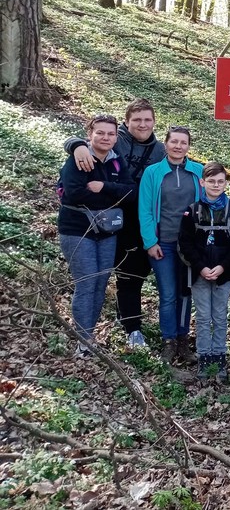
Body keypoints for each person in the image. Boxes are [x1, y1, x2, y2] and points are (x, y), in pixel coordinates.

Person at [64, 99, 165, 349]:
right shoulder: (112, 141)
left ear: (154, 122)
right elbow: (83, 143)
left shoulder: (159, 150)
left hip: (134, 219)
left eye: (147, 120)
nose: (142, 124)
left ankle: (121, 327)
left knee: (124, 276)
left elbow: (133, 188)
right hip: (100, 221)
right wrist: (76, 145)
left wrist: (106, 189)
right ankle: (89, 338)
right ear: (126, 122)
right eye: (137, 120)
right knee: (94, 280)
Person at [58, 115, 136, 357]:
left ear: (116, 137)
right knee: (86, 282)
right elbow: (73, 193)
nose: (105, 138)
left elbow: (130, 192)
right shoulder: (79, 158)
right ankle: (83, 342)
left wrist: (104, 187)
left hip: (107, 231)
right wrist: (111, 198)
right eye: (100, 133)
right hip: (77, 230)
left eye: (111, 134)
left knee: (101, 284)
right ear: (90, 134)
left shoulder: (116, 161)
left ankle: (89, 337)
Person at [177, 162, 230, 383]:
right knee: (202, 316)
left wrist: (223, 266)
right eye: (211, 181)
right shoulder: (191, 211)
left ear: (226, 183)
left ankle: (219, 356)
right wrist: (201, 267)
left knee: (219, 315)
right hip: (199, 273)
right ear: (202, 182)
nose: (216, 185)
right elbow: (185, 242)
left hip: (224, 273)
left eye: (220, 181)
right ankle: (204, 356)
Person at [139, 126, 203, 364]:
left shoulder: (198, 171)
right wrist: (150, 242)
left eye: (183, 142)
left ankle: (183, 339)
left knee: (185, 293)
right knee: (167, 294)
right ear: (165, 144)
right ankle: (169, 341)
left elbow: (209, 202)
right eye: (174, 141)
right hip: (163, 243)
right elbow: (145, 209)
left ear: (188, 146)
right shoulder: (153, 173)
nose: (178, 146)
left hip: (189, 245)